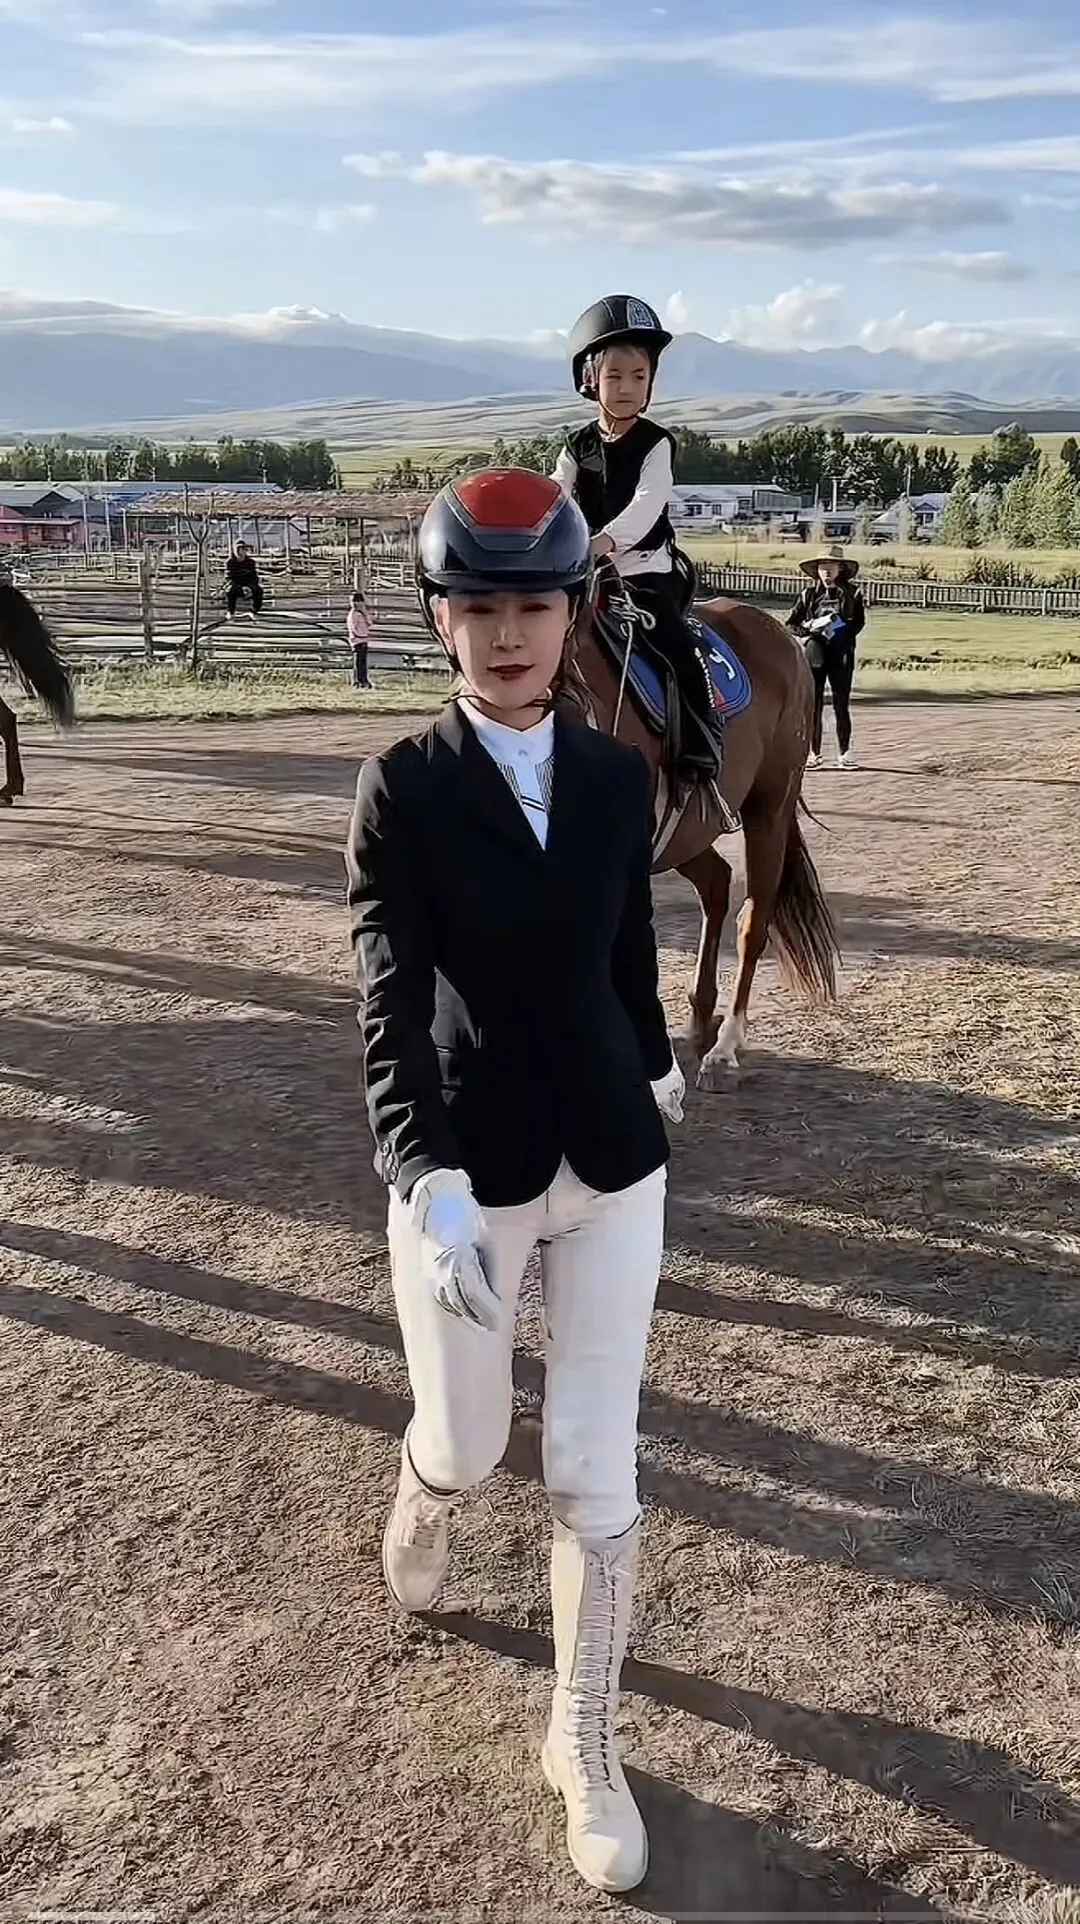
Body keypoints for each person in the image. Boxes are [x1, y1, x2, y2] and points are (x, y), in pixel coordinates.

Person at [345, 466, 686, 1898]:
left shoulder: (614, 778)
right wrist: (419, 1171)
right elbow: (388, 1001)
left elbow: (627, 952)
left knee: (593, 1467)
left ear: (571, 611)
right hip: (467, 1176)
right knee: (476, 1439)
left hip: (610, 1161)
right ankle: (426, 1485)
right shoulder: (403, 789)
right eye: (477, 605)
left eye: (534, 604)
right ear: (439, 617)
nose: (507, 633)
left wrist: (655, 1064)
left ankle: (581, 1736)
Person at [551, 294, 733, 810]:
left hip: (645, 569)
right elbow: (556, 495)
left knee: (674, 643)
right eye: (615, 376)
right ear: (590, 378)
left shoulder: (657, 443)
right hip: (585, 569)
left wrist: (602, 542)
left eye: (639, 375)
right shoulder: (575, 446)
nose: (627, 387)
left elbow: (648, 503)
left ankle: (701, 740)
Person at [786, 545, 865, 769]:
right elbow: (791, 624)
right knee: (814, 705)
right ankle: (814, 753)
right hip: (815, 653)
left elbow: (858, 623)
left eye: (831, 566)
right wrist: (809, 630)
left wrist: (837, 629)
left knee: (841, 704)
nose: (826, 571)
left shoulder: (853, 593)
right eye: (822, 567)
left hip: (842, 654)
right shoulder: (808, 595)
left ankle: (845, 753)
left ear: (841, 568)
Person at [225, 541, 263, 619]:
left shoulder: (250, 562)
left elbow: (254, 576)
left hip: (248, 583)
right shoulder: (230, 562)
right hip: (235, 584)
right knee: (230, 590)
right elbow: (229, 577)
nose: (241, 551)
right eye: (239, 549)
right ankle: (230, 611)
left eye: (243, 549)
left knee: (258, 590)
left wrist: (249, 586)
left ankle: (254, 611)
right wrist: (240, 586)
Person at [347, 588, 372, 688]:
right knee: (358, 662)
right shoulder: (353, 614)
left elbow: (370, 622)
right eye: (355, 601)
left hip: (364, 639)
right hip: (357, 640)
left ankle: (364, 680)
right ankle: (357, 681)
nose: (357, 604)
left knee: (363, 662)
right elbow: (353, 627)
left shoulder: (362, 614)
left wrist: (365, 612)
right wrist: (360, 635)